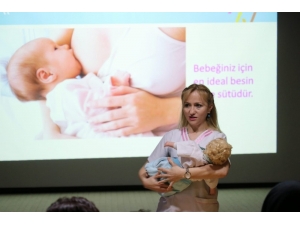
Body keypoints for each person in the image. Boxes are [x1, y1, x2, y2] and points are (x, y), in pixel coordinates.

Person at [7, 27, 185, 138]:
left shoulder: (62, 91)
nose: (64, 47)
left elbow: (98, 99)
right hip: (123, 130)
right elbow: (98, 100)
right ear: (46, 75)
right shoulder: (62, 92)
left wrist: (165, 111)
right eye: (56, 49)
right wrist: (50, 131)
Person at [138, 83, 230, 212]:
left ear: (209, 108)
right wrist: (146, 181)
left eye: (198, 105)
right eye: (187, 105)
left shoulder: (216, 138)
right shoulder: (171, 136)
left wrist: (183, 174)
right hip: (169, 208)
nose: (191, 111)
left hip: (201, 209)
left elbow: (221, 171)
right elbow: (144, 170)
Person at [145, 138, 232, 197]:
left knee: (159, 164)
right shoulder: (211, 168)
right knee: (172, 189)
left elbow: (184, 147)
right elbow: (212, 181)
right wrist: (212, 189)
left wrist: (172, 144)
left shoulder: (196, 150)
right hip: (185, 181)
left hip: (174, 164)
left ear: (208, 146)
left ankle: (149, 170)